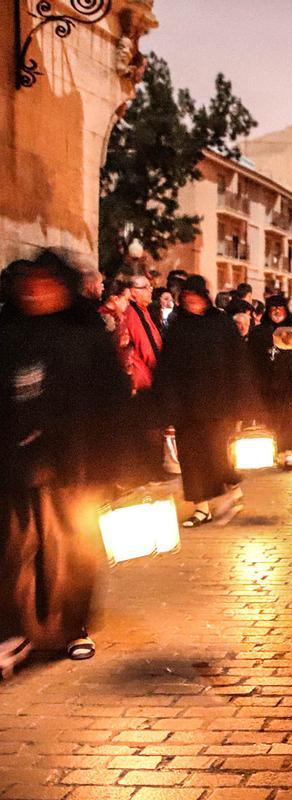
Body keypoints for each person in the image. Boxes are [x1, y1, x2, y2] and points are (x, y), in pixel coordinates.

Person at [0, 252, 131, 666]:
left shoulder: (85, 333)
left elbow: (108, 400)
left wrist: (115, 461)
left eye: (46, 284)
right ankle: (17, 629)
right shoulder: (11, 332)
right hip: (18, 463)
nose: (36, 292)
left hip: (74, 464)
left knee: (72, 549)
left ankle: (72, 626)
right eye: (30, 285)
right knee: (17, 549)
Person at [155, 275, 255, 528]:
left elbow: (238, 363)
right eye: (186, 297)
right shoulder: (178, 327)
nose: (191, 301)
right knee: (190, 460)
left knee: (215, 454)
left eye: (195, 296)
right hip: (186, 407)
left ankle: (231, 490)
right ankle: (201, 508)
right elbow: (166, 368)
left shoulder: (220, 323)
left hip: (217, 404)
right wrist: (164, 402)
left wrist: (242, 399)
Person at [248, 295, 292, 468]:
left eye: (280, 308)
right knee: (271, 419)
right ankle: (274, 451)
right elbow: (252, 360)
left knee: (291, 420)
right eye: (273, 309)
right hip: (267, 385)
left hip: (291, 385)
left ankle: (289, 451)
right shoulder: (258, 333)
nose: (277, 312)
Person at [124, 274, 162, 395]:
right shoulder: (134, 313)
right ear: (133, 291)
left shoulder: (142, 311)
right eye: (146, 287)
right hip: (143, 381)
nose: (150, 290)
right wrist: (160, 372)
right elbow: (147, 346)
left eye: (150, 287)